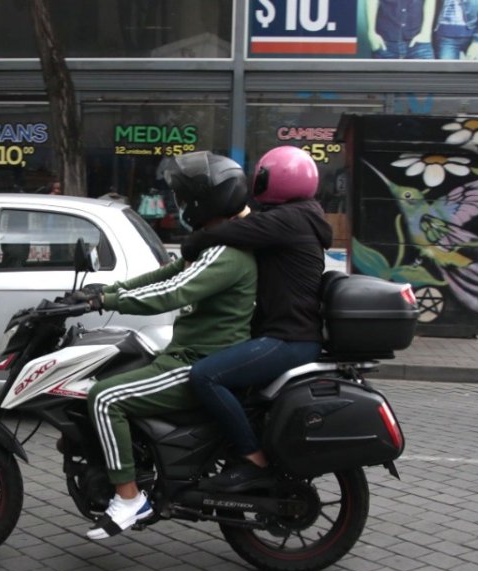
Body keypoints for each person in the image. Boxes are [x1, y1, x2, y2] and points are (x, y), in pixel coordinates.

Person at [80, 152, 258, 539]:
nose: (180, 204)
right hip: (187, 354)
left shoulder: (226, 254)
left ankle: (129, 498)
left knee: (104, 398)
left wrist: (106, 302)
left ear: (204, 201)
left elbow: (171, 292)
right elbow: (166, 274)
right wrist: (108, 290)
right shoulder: (215, 244)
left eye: (184, 197)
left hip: (196, 361)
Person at [180, 146, 332, 492]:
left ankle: (253, 460)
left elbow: (229, 233)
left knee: (206, 376)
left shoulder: (288, 220)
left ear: (272, 179)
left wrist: (193, 242)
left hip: (289, 339)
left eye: (260, 176)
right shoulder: (301, 216)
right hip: (290, 335)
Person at [366, 0, 436, 60]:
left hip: (419, 42)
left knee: (428, 71)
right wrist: (371, 33)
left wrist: (426, 33)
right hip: (385, 42)